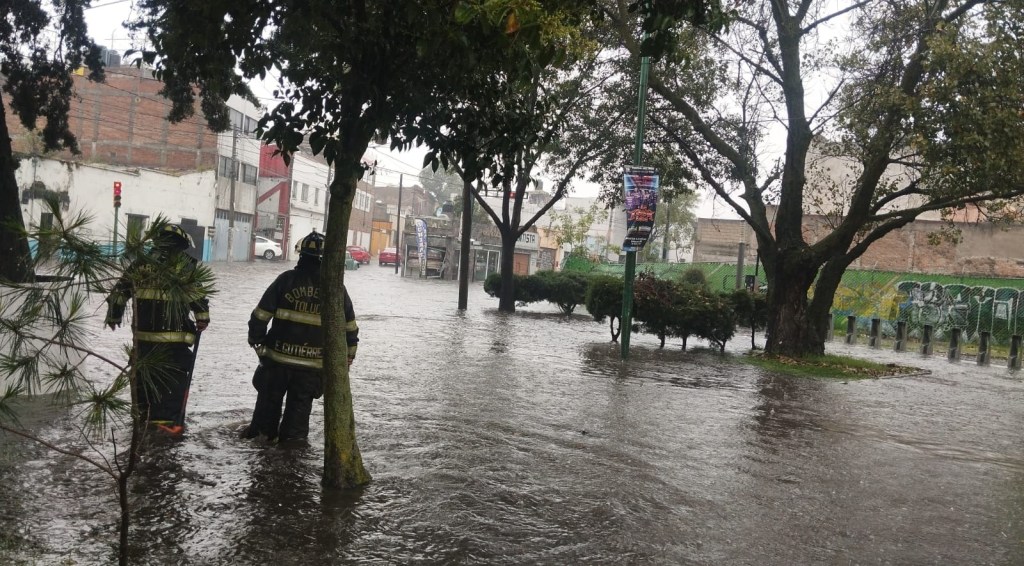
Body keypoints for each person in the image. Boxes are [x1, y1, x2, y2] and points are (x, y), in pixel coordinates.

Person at [243, 231, 359, 443]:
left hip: (276, 363)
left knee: (263, 423)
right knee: (296, 425)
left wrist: (257, 343)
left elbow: (259, 316)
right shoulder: (334, 289)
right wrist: (348, 357)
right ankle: (291, 458)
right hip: (311, 369)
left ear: (301, 255)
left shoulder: (285, 280)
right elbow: (350, 328)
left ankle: (261, 455)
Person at [105, 223, 211, 436]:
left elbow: (118, 293)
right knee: (170, 396)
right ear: (181, 246)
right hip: (173, 348)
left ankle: (142, 432)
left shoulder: (139, 265)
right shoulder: (185, 266)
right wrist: (202, 318)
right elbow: (198, 299)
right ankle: (165, 436)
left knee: (144, 394)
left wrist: (114, 316)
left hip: (143, 344)